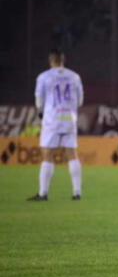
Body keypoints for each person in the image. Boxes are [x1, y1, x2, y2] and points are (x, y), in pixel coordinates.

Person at [28, 49, 84, 201]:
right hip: (69, 118)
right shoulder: (74, 76)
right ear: (63, 59)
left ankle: (43, 193)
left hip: (52, 118)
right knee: (72, 154)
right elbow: (80, 101)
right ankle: (77, 192)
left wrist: (41, 113)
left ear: (51, 60)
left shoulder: (44, 77)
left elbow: (39, 99)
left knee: (47, 154)